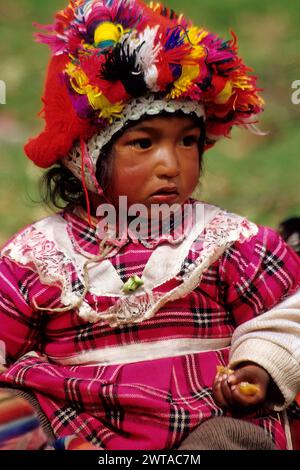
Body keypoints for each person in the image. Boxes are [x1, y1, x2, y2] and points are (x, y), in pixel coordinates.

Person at [0, 0, 300, 451]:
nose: (171, 164)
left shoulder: (230, 243)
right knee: (13, 409)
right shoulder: (39, 256)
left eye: (187, 142)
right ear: (84, 160)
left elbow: (287, 315)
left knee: (232, 440)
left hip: (203, 417)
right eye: (143, 143)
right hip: (76, 421)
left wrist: (259, 366)